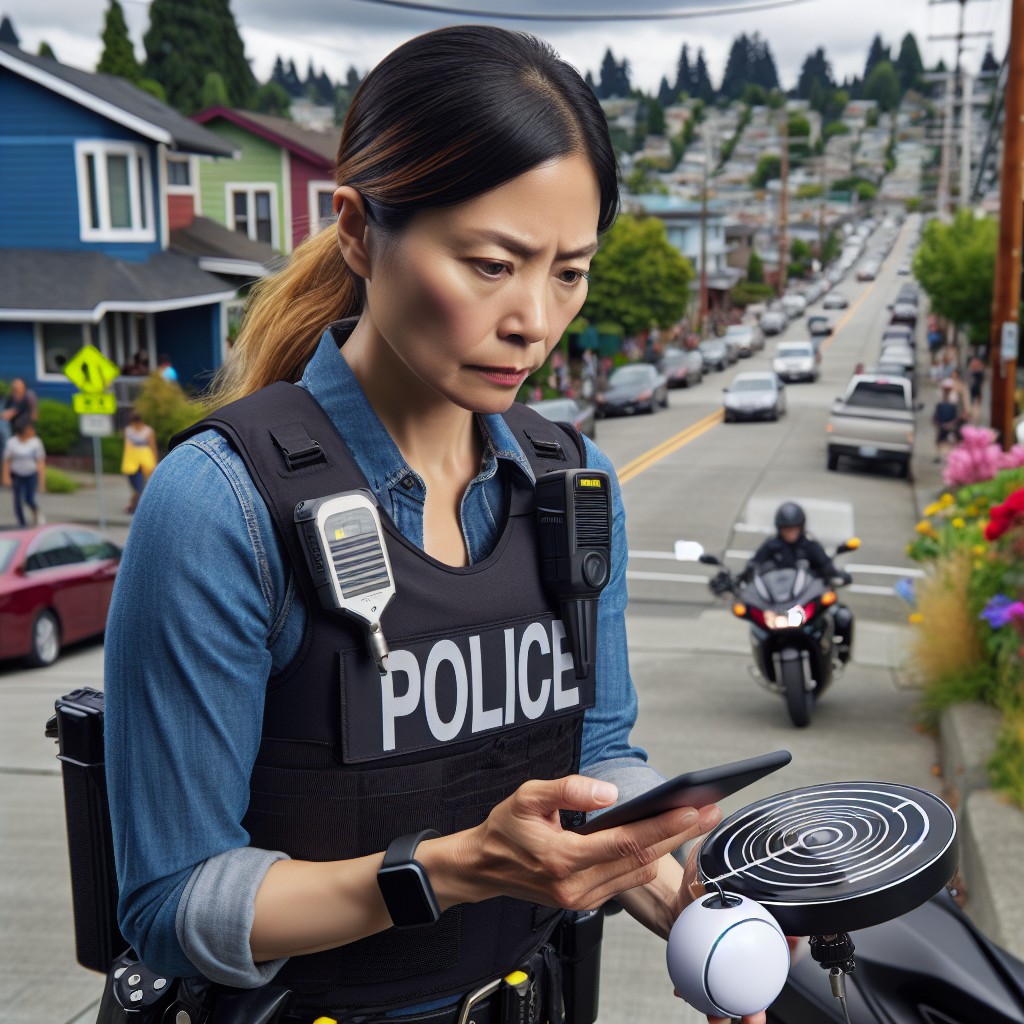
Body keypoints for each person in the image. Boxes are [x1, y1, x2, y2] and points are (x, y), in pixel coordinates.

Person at [103, 26, 762, 1024]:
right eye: (492, 264)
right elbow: (172, 900)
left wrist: (689, 903)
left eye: (569, 271)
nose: (535, 320)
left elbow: (601, 757)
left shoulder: (573, 484)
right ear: (360, 231)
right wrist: (450, 868)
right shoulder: (222, 504)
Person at [732, 501, 853, 662]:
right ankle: (764, 659)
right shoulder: (771, 545)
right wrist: (738, 580)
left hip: (804, 599)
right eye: (786, 529)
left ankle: (840, 654)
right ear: (779, 529)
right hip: (778, 602)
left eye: (794, 528)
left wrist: (836, 576)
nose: (790, 533)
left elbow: (826, 566)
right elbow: (754, 566)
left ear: (801, 527)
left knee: (842, 615)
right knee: (757, 625)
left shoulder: (810, 545)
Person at [2, 419, 46, 526]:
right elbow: (7, 460)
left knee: (29, 498)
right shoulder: (12, 443)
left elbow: (40, 462)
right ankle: (22, 523)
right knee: (17, 500)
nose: (32, 430)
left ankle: (36, 512)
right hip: (17, 474)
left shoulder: (36, 442)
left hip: (31, 474)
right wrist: (5, 477)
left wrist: (42, 482)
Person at [119, 412, 158, 513]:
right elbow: (127, 447)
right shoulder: (128, 431)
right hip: (131, 461)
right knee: (134, 483)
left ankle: (135, 506)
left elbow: (152, 446)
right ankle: (133, 504)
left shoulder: (148, 431)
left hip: (144, 460)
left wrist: (154, 461)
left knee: (140, 484)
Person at [1, 377, 37, 444]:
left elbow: (10, 413)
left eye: (18, 384)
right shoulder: (11, 398)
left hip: (26, 429)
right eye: (14, 384)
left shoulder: (28, 397)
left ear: (23, 386)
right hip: (14, 429)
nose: (15, 386)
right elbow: (6, 413)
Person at [933, 381, 961, 462]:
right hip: (941, 424)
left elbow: (956, 416)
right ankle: (939, 456)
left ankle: (949, 456)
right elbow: (936, 414)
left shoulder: (953, 404)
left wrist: (950, 424)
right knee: (939, 441)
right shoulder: (940, 404)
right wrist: (937, 423)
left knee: (950, 441)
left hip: (949, 425)